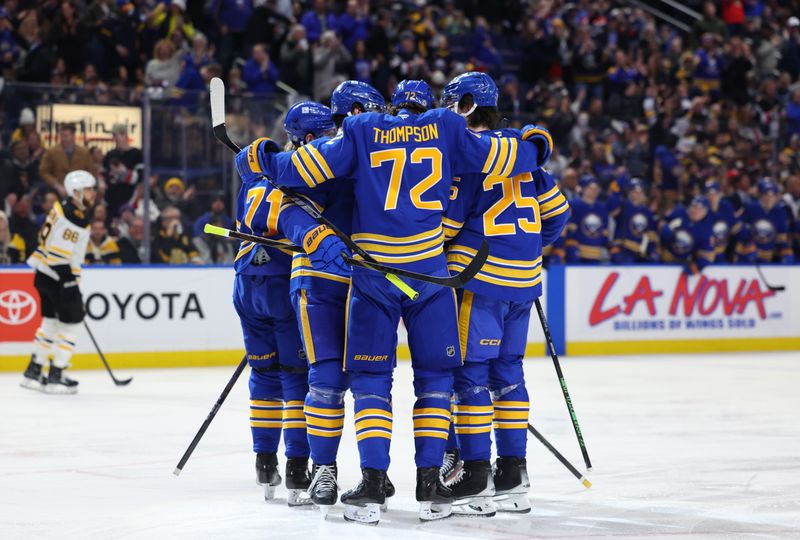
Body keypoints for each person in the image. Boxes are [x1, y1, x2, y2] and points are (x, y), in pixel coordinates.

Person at [235, 79, 552, 524]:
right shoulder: (445, 127)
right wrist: (538, 145)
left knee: (369, 381)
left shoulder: (362, 129)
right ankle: (432, 486)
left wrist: (258, 161)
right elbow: (506, 158)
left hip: (374, 279)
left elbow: (295, 170)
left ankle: (371, 486)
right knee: (437, 380)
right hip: (429, 277)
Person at [439, 72, 569, 516]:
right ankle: (514, 475)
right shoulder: (525, 152)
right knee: (509, 375)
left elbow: (450, 225)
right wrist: (526, 248)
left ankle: (475, 478)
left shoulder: (469, 154)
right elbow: (558, 213)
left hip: (479, 280)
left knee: (470, 377)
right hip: (524, 281)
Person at [280, 84, 389, 514]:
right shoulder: (332, 149)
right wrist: (310, 234)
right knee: (340, 380)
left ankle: (361, 474)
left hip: (360, 282)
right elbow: (283, 205)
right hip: (326, 281)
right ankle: (340, 471)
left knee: (358, 383)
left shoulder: (363, 152)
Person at [230, 141, 312, 506]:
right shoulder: (297, 176)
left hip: (246, 282)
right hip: (281, 281)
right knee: (295, 377)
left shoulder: (249, 181)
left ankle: (265, 462)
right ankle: (297, 468)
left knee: (263, 375)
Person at [21, 170, 96, 394]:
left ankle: (33, 371)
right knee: (70, 326)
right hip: (58, 278)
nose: (93, 193)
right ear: (77, 192)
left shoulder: (61, 207)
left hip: (43, 274)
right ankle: (56, 374)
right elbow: (58, 255)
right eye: (89, 189)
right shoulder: (75, 218)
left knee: (50, 325)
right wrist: (70, 283)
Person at [739, 178, 795, 264]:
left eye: (772, 195)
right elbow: (739, 229)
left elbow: (781, 238)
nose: (769, 199)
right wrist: (747, 244)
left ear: (776, 197)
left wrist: (786, 252)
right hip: (748, 254)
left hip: (769, 256)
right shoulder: (751, 207)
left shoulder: (780, 212)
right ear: (760, 195)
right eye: (766, 195)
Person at [607, 178, 659, 263]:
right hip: (622, 248)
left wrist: (651, 250)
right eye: (635, 191)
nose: (638, 194)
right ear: (630, 193)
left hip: (639, 251)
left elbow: (651, 234)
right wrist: (619, 187)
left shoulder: (647, 212)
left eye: (640, 192)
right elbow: (610, 209)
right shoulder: (623, 205)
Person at [659, 195, 716, 273]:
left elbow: (707, 257)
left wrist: (695, 268)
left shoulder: (706, 230)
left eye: (700, 209)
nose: (696, 211)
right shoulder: (679, 212)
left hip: (685, 262)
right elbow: (661, 222)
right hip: (664, 258)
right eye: (694, 207)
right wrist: (664, 230)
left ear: (706, 212)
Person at [39, 123, 96, 199]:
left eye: (66, 136)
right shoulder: (51, 152)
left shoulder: (84, 153)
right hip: (57, 189)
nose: (63, 139)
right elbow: (44, 172)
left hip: (79, 190)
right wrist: (57, 186)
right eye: (61, 136)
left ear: (73, 136)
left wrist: (82, 187)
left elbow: (90, 172)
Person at [565, 176, 611, 264]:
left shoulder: (602, 208)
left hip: (596, 253)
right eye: (590, 188)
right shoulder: (574, 205)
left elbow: (604, 232)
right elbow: (569, 229)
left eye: (595, 188)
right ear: (582, 189)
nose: (593, 191)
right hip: (576, 253)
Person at [103, 123, 143, 218]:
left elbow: (141, 177)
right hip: (112, 197)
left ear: (124, 135)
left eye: (116, 135)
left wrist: (124, 173)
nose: (114, 138)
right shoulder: (110, 154)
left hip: (129, 196)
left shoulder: (136, 154)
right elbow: (105, 174)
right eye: (113, 135)